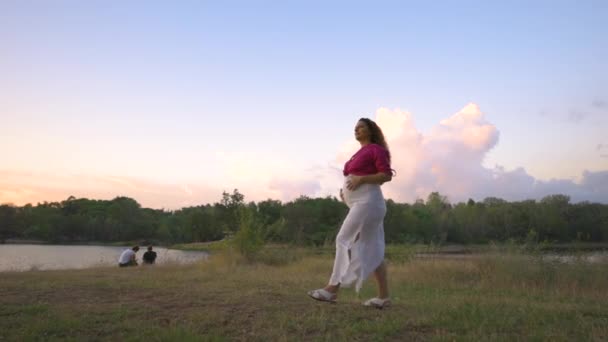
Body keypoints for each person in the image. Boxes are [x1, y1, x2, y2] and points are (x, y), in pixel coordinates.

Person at [308, 117, 394, 308]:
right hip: (360, 202)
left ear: (370, 130)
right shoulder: (358, 153)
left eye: (361, 127)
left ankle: (332, 289)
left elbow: (386, 175)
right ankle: (384, 297)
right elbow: (352, 178)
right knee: (372, 249)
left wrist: (361, 181)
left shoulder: (376, 150)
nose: (356, 130)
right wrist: (345, 193)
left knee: (343, 240)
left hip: (368, 202)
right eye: (355, 128)